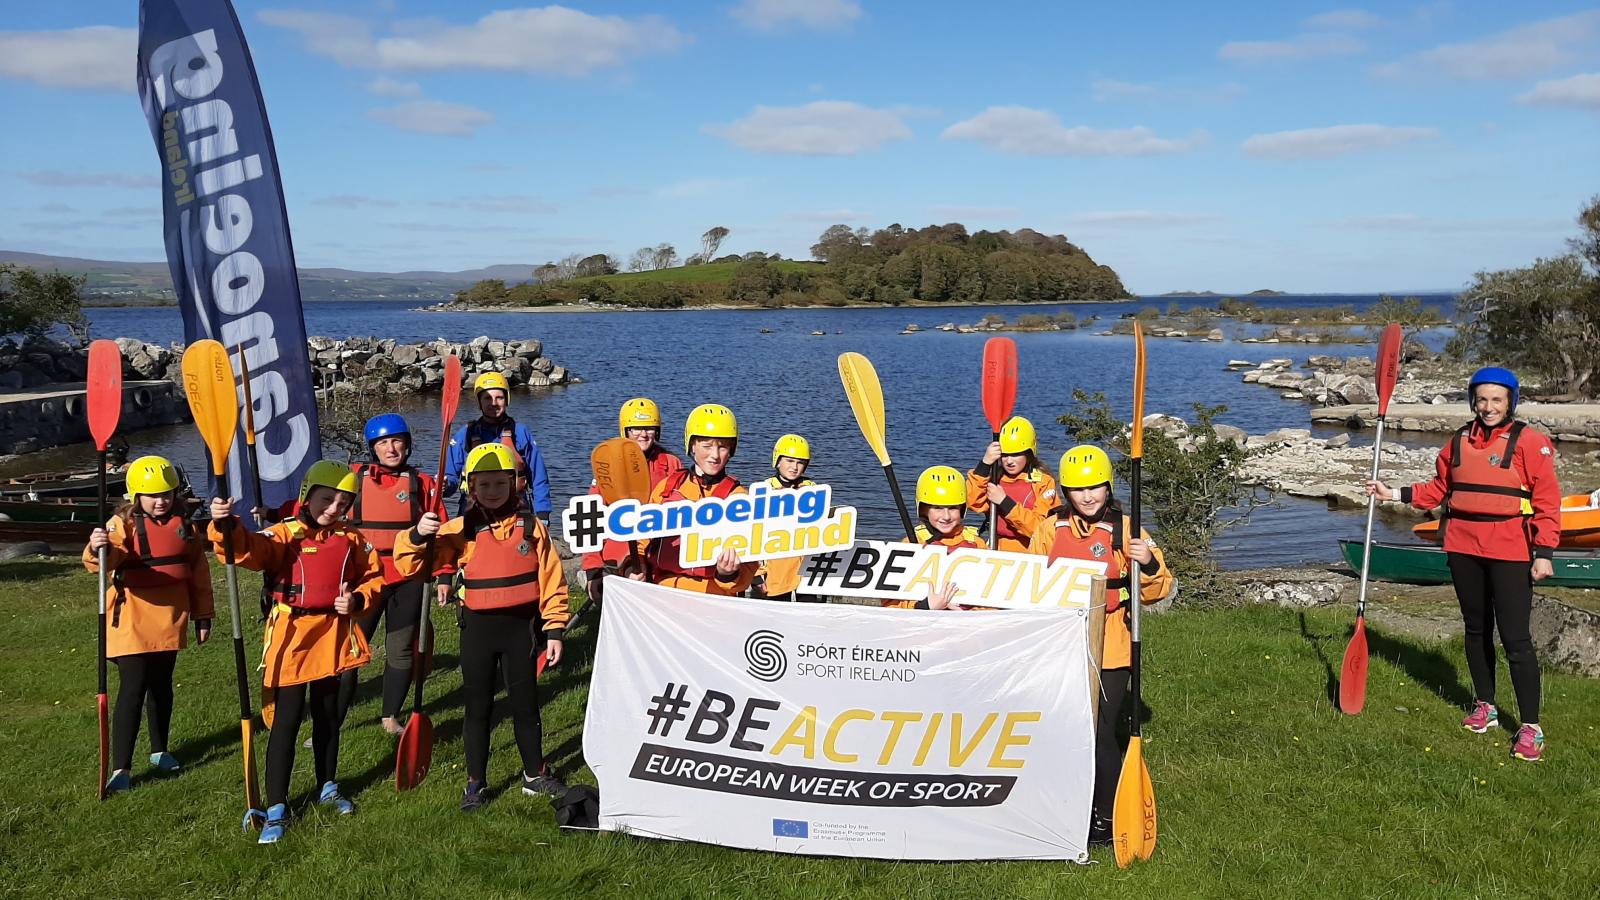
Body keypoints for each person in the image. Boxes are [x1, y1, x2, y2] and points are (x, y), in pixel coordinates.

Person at [1366, 367, 1560, 762]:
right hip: (1463, 547)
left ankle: (1530, 726)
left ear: (1510, 402)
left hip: (1510, 550)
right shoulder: (1457, 442)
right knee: (1476, 630)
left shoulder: (1529, 442)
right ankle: (1485, 705)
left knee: (1516, 638)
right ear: (1473, 400)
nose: (1488, 407)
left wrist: (1544, 553)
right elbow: (1439, 489)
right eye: (1481, 399)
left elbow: (1547, 502)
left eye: (1496, 400)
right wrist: (1394, 493)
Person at [210, 460, 383, 845]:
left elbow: (374, 576)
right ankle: (276, 806)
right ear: (306, 496)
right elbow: (247, 550)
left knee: (327, 717)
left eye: (343, 501)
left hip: (334, 636)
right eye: (327, 499)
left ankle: (327, 786)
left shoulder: (352, 538)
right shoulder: (283, 534)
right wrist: (227, 525)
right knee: (286, 722)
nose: (334, 508)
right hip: (292, 637)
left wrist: (356, 598)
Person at [393, 443, 570, 811]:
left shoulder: (531, 528)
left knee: (525, 707)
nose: (492, 492)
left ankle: (534, 775)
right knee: (478, 709)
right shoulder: (460, 530)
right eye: (484, 485)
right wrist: (417, 535)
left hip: (521, 630)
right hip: (478, 632)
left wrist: (553, 630)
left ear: (515, 484)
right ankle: (475, 782)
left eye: (500, 484)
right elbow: (411, 566)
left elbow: (553, 582)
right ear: (471, 487)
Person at [1027, 444, 1171, 845]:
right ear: (1066, 492)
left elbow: (1160, 589)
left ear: (1108, 487)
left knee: (1102, 732)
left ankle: (1105, 816)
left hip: (1111, 645)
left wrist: (1150, 564)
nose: (1088, 496)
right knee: (1062, 728)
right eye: (1078, 489)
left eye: (1095, 488)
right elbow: (1029, 582)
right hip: (1062, 645)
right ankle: (1062, 802)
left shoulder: (1128, 530)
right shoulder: (1047, 528)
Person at [84, 455, 214, 795]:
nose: (161, 501)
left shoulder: (185, 525)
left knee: (162, 685)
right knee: (133, 687)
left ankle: (160, 751)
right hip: (131, 620)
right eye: (153, 495)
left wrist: (204, 615)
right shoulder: (120, 524)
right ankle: (121, 769)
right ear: (135, 496)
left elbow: (199, 574)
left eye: (167, 494)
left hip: (171, 618)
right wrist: (96, 547)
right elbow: (103, 560)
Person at [342, 414, 444, 735]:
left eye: (396, 441)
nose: (391, 448)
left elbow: (441, 536)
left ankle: (390, 717)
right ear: (373, 448)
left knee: (400, 648)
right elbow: (322, 513)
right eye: (383, 443)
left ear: (407, 445)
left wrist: (443, 576)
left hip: (409, 578)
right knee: (350, 651)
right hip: (366, 579)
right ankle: (334, 721)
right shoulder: (352, 480)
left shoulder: (423, 484)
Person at [633, 404, 757, 594]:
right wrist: (635, 566)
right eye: (706, 446)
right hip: (664, 589)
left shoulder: (739, 498)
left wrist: (727, 573)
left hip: (713, 594)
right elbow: (643, 540)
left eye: (722, 447)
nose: (715, 455)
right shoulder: (668, 487)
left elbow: (749, 568)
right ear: (692, 445)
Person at [580, 398, 683, 604]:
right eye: (636, 428)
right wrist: (592, 569)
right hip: (621, 543)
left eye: (649, 428)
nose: (643, 435)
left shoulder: (671, 463)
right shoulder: (610, 462)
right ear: (625, 430)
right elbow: (592, 515)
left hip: (656, 542)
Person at [442, 372, 552, 520]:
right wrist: (445, 484)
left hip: (515, 512)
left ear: (507, 400)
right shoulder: (466, 434)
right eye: (487, 398)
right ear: (479, 402)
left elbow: (539, 479)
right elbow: (451, 480)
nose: (493, 403)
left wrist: (543, 515)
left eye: (499, 397)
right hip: (474, 513)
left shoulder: (520, 432)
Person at [881, 466, 983, 610]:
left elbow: (992, 598)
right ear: (923, 509)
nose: (946, 516)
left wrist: (968, 613)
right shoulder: (912, 543)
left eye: (953, 508)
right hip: (924, 622)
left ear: (962, 509)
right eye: (938, 508)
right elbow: (890, 604)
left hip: (967, 625)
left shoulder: (976, 543)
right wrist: (926, 606)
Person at [967, 416, 1059, 552]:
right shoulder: (995, 478)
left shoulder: (1043, 482)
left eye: (1016, 454)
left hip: (1031, 550)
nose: (1009, 461)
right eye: (1004, 455)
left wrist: (1004, 501)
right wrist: (984, 464)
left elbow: (1040, 528)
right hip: (997, 547)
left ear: (1029, 453)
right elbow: (973, 502)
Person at [753, 434, 819, 602]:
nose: (794, 467)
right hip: (775, 571)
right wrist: (757, 575)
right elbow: (753, 535)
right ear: (778, 460)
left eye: (800, 462)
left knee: (810, 617)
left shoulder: (813, 489)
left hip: (806, 571)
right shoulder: (765, 489)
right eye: (789, 461)